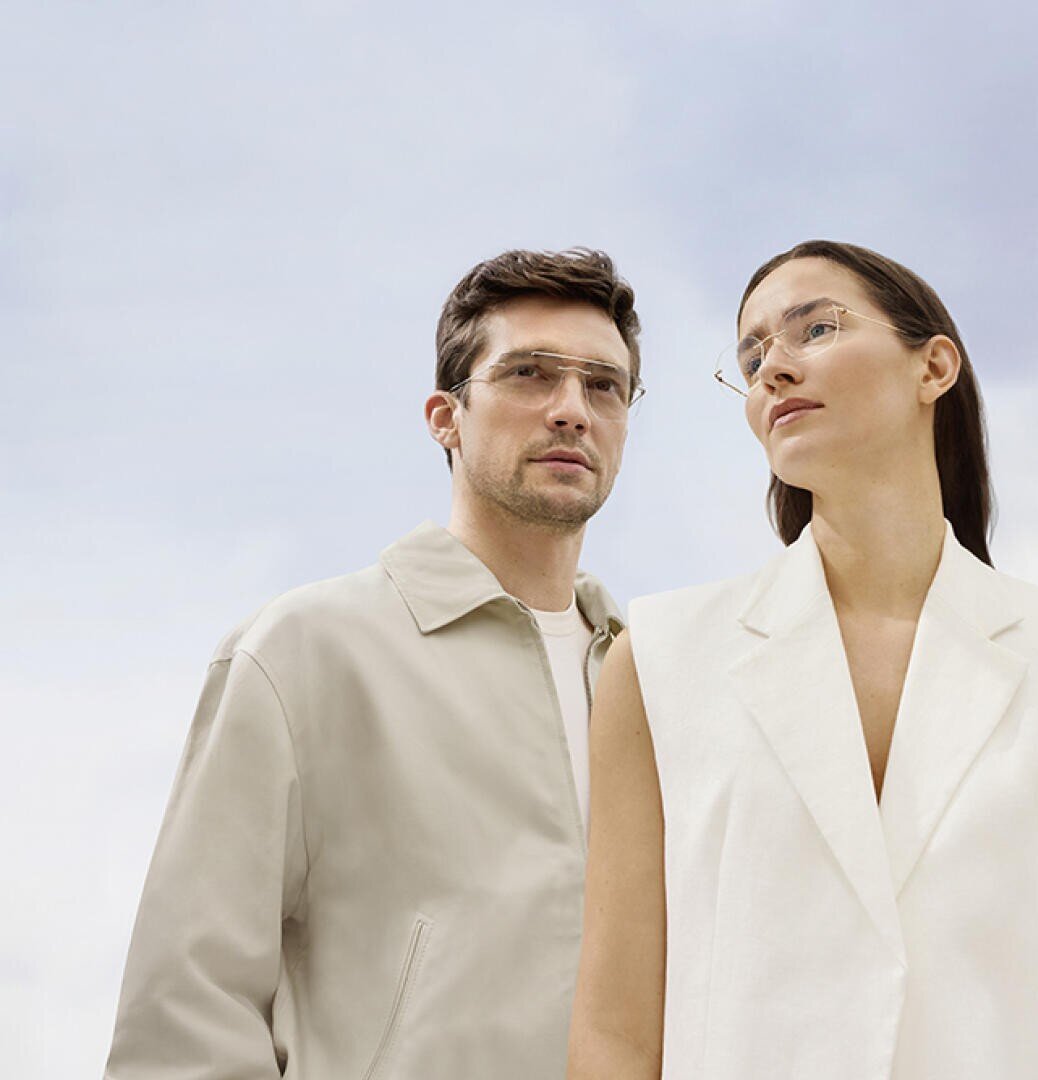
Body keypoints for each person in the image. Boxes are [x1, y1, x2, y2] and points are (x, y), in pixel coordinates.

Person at [569, 240, 1038, 1079]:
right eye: (752, 356)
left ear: (933, 366)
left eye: (816, 329)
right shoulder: (658, 661)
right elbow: (615, 1031)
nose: (772, 370)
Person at [105, 248, 645, 1078]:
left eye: (603, 385)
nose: (571, 409)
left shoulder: (656, 677)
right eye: (530, 375)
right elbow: (187, 1003)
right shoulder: (306, 649)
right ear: (445, 417)